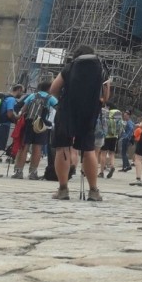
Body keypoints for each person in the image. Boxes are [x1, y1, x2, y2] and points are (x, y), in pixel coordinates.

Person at [49, 45, 109, 201]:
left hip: (67, 112)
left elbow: (53, 89)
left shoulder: (70, 67)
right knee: (88, 150)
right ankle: (93, 191)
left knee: (63, 148)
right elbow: (105, 96)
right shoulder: (101, 68)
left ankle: (63, 189)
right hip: (88, 114)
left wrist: (61, 102)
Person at [13, 79, 57, 180]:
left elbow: (23, 109)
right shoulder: (50, 98)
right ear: (49, 88)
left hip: (29, 123)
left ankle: (19, 171)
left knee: (24, 147)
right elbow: (58, 108)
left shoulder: (32, 96)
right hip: (41, 125)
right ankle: (33, 173)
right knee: (37, 148)